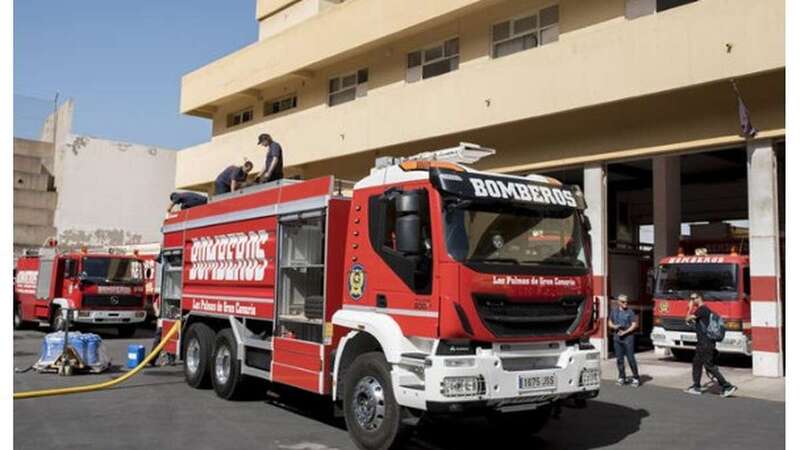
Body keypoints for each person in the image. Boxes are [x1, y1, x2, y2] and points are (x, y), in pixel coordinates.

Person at [684, 292, 738, 397]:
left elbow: (687, 318)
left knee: (709, 365)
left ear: (699, 298)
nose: (691, 301)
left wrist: (689, 308)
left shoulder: (702, 309)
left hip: (706, 343)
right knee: (697, 363)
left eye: (692, 298)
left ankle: (727, 386)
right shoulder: (704, 310)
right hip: (703, 342)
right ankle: (696, 386)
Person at [609, 294, 641, 387]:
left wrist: (625, 332)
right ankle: (622, 377)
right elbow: (610, 322)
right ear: (618, 302)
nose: (625, 303)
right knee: (619, 359)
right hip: (617, 337)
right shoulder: (614, 312)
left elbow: (634, 324)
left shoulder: (630, 312)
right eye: (623, 302)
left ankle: (636, 378)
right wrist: (614, 326)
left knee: (631, 358)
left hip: (628, 338)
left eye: (626, 301)